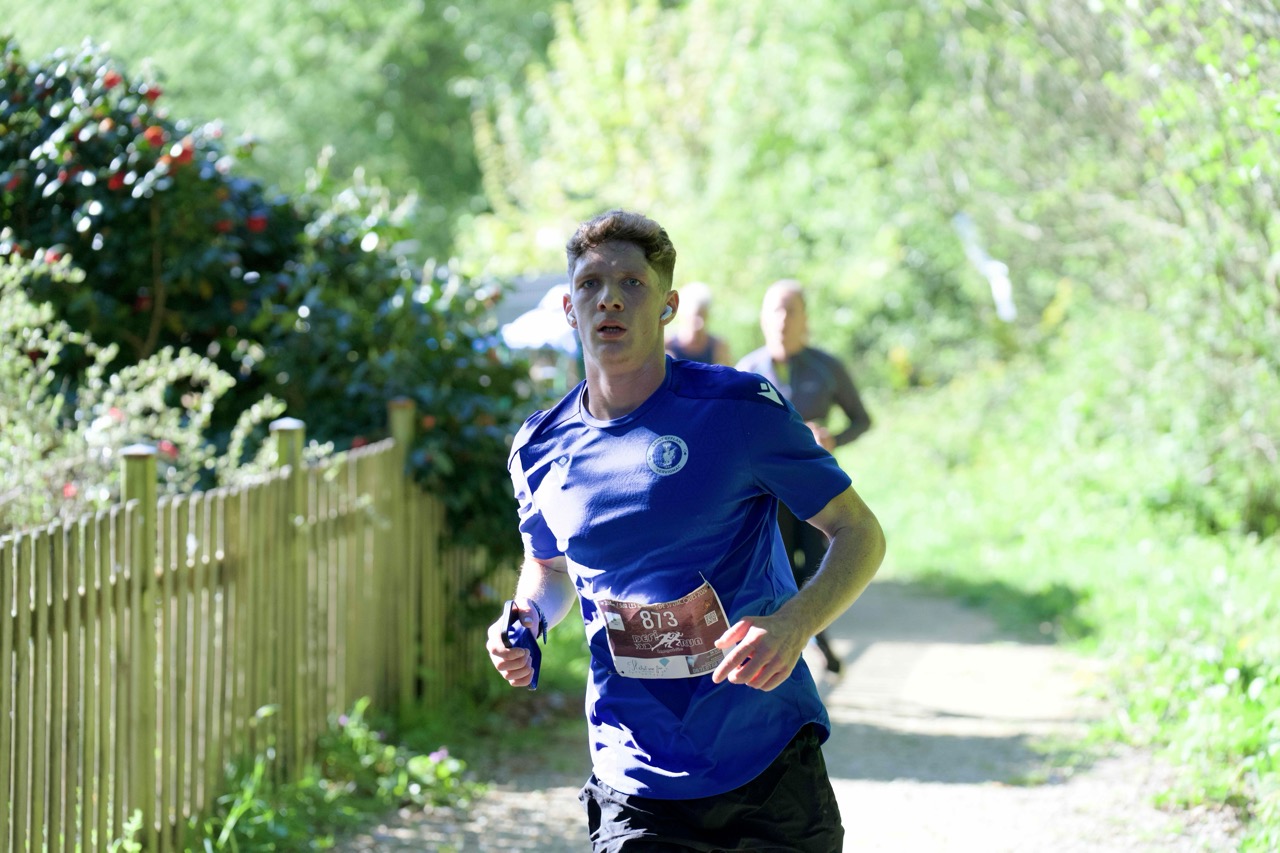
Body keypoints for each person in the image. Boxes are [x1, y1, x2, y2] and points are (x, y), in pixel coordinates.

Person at [486, 210, 885, 852]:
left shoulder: (738, 410)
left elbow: (859, 532)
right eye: (590, 284)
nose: (610, 298)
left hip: (766, 760)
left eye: (632, 283)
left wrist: (796, 624)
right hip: (634, 772)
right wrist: (528, 617)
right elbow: (550, 566)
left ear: (668, 306)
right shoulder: (538, 448)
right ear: (568, 308)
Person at [735, 280, 873, 677]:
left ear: (805, 319)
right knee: (778, 573)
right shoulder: (745, 371)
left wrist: (832, 439)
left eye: (790, 310)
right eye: (775, 310)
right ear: (763, 319)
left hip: (817, 491)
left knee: (815, 567)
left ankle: (814, 640)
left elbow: (862, 420)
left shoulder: (826, 367)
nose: (782, 319)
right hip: (766, 496)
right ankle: (806, 650)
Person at [664, 280, 731, 365]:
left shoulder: (718, 347)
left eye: (701, 315)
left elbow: (729, 371)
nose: (698, 322)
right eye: (694, 316)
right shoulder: (667, 343)